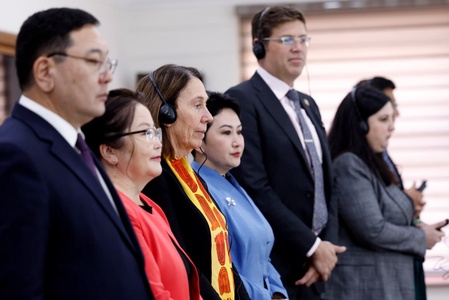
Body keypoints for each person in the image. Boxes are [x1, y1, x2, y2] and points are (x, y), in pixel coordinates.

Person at [0, 8, 153, 300]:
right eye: (94, 61)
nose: (108, 76)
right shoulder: (15, 155)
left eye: (107, 62)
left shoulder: (76, 147)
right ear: (45, 72)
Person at [225, 6, 345, 299]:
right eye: (287, 40)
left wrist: (324, 248)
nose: (298, 48)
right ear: (259, 45)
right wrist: (311, 246)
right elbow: (253, 185)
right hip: (276, 264)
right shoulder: (242, 99)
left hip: (319, 267)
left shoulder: (307, 103)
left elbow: (326, 184)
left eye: (303, 39)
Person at [136, 64, 250, 300]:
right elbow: (186, 264)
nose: (208, 117)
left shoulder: (187, 173)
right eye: (198, 105)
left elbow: (223, 261)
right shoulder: (156, 180)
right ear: (167, 113)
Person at [325, 86, 445, 300]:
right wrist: (420, 237)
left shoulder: (376, 164)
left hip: (387, 283)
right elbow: (373, 229)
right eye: (383, 120)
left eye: (392, 119)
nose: (391, 127)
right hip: (365, 287)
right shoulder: (349, 164)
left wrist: (419, 226)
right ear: (360, 125)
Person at [82, 88, 202, 300]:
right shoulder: (118, 213)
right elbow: (153, 293)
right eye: (146, 133)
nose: (158, 142)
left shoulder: (148, 204)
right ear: (109, 151)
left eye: (156, 133)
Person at [191, 92, 288, 300]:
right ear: (200, 140)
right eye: (226, 133)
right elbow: (220, 268)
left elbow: (263, 254)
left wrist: (278, 293)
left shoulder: (231, 183)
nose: (237, 142)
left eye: (239, 132)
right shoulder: (197, 190)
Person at [355, 76, 425, 218]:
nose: (396, 113)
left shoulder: (380, 150)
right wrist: (406, 200)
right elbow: (372, 220)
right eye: (390, 105)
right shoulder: (353, 162)